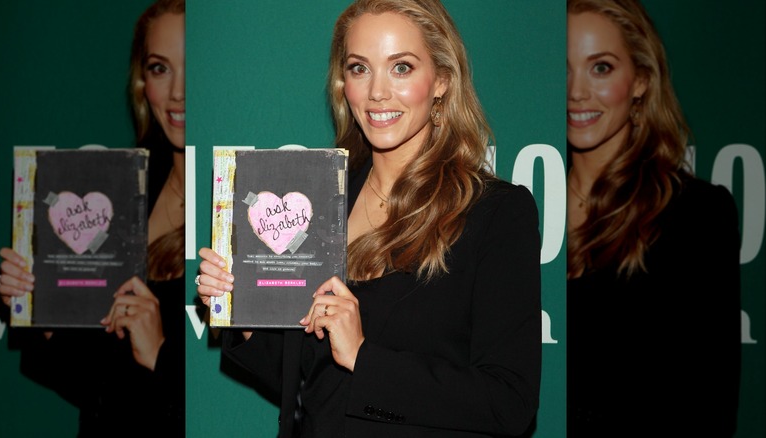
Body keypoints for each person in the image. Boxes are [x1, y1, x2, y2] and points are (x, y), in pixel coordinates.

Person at [196, 0, 542, 436]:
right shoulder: (324, 203)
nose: (377, 92)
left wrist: (363, 357)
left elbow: (509, 402)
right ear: (344, 84)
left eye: (401, 68)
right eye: (360, 68)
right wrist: (242, 310)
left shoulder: (494, 212)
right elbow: (312, 383)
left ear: (442, 82)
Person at [0, 0, 186, 436]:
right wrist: (39, 307)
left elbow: (242, 394)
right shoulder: (123, 190)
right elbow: (94, 383)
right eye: (160, 68)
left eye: (192, 66)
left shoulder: (235, 209)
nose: (178, 92)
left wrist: (159, 353)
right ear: (142, 83)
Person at [565, 0, 741, 435]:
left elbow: (711, 404)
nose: (576, 91)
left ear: (640, 80)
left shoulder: (695, 213)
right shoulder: (524, 208)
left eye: (601, 68)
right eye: (562, 67)